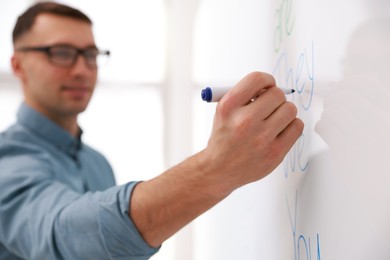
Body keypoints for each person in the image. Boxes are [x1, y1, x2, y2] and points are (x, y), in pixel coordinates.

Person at [0, 2, 304, 259]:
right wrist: (217, 167)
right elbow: (62, 236)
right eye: (61, 53)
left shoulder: (97, 163)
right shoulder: (7, 162)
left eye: (91, 55)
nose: (82, 69)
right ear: (18, 65)